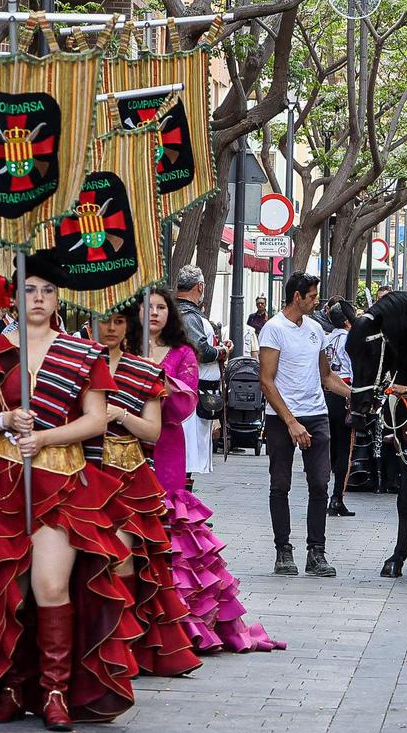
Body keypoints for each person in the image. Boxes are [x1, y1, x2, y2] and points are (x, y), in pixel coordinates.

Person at [0, 257, 139, 729]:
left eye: (47, 290)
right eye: (28, 289)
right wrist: (6, 421)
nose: (37, 298)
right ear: (12, 296)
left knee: (51, 585)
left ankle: (55, 691)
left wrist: (49, 437)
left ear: (59, 298)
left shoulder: (82, 353)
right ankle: (11, 686)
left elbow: (96, 419)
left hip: (61, 479)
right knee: (5, 589)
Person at [147, 288, 281, 652]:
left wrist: (153, 392)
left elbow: (184, 403)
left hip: (168, 447)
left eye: (161, 307)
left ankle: (186, 619)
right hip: (126, 450)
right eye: (149, 308)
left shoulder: (182, 353)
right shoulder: (126, 352)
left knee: (170, 525)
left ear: (171, 314)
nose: (155, 313)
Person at [86, 303, 204, 680]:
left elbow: (153, 431)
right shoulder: (79, 362)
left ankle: (124, 644)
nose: (111, 327)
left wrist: (118, 415)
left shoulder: (143, 370)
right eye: (105, 319)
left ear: (128, 326)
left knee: (124, 557)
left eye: (119, 320)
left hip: (130, 476)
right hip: (85, 472)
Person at [260, 272, 353, 578]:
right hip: (281, 417)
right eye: (312, 296)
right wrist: (290, 422)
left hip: (316, 414)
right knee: (280, 484)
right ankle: (283, 551)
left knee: (319, 483)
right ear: (297, 297)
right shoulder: (274, 329)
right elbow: (266, 381)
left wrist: (355, 394)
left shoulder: (316, 330)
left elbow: (326, 376)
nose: (317, 301)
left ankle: (317, 552)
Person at [173, 265, 223, 477]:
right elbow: (200, 351)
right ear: (200, 287)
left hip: (193, 395)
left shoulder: (182, 313)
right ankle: (182, 504)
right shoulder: (188, 315)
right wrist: (221, 352)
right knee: (187, 459)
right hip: (190, 396)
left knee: (188, 458)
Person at [322, 300, 357, 517]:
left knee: (330, 446)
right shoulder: (350, 340)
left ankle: (325, 493)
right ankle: (337, 497)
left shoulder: (326, 339)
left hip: (326, 393)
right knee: (345, 447)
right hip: (344, 390)